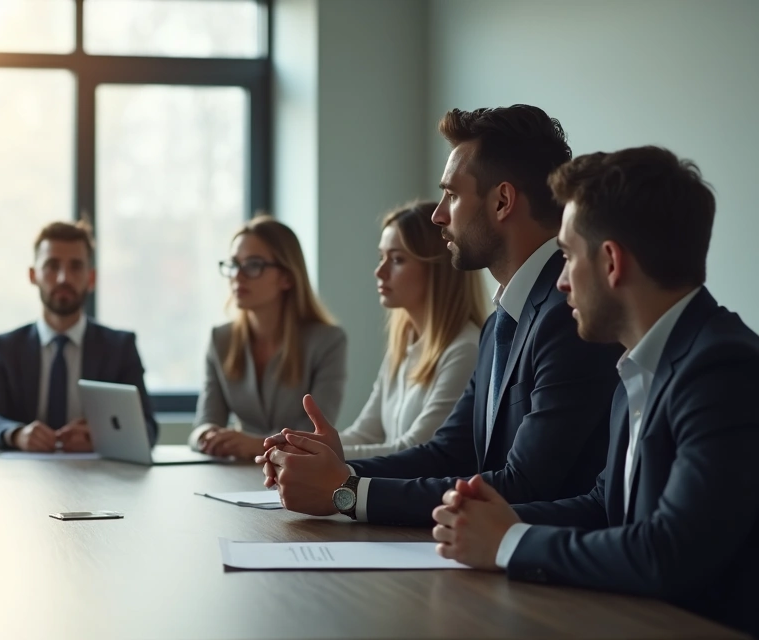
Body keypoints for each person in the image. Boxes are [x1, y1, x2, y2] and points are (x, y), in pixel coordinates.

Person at [433, 146, 759, 637]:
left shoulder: (723, 369)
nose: (560, 281)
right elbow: (605, 505)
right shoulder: (639, 360)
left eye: (566, 256)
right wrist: (491, 518)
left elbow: (669, 553)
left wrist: (509, 541)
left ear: (611, 262)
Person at [261, 105, 622, 526]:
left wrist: (346, 493)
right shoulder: (502, 321)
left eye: (451, 194)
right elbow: (450, 452)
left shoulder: (569, 316)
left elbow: (525, 485)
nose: (439, 215)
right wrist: (338, 473)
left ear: (502, 201)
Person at [0, 221, 158, 451]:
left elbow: (147, 428)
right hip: (22, 479)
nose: (63, 278)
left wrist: (99, 437)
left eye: (76, 267)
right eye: (52, 265)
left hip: (99, 481)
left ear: (91, 278)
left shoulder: (119, 348)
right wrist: (17, 434)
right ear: (33, 275)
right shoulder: (6, 348)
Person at [191, 216, 347, 461]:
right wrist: (208, 437)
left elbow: (315, 434)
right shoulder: (221, 339)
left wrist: (255, 445)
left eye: (253, 265)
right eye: (233, 264)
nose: (238, 276)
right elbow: (205, 422)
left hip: (299, 473)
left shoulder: (327, 341)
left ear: (287, 277)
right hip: (238, 472)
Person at [340, 201, 484, 458]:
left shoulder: (465, 350)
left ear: (437, 269)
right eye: (381, 257)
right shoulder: (404, 343)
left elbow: (415, 450)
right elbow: (365, 432)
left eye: (396, 259)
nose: (379, 271)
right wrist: (302, 448)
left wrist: (320, 459)